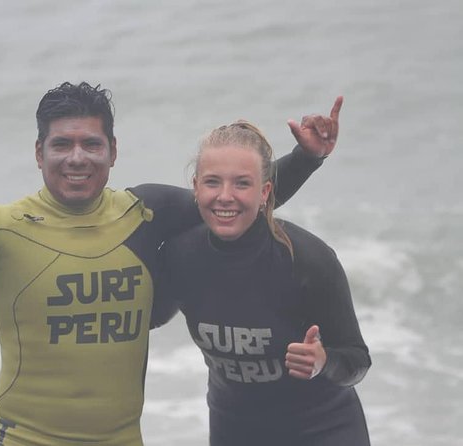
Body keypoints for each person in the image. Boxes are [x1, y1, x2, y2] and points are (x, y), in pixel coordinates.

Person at [0, 82, 337, 446]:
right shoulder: (0, 227)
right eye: (61, 144)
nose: (77, 157)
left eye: (91, 144)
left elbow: (234, 204)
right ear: (39, 153)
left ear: (113, 152)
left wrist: (307, 157)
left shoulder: (145, 211)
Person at [152, 116, 371, 446]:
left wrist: (323, 361)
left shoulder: (306, 259)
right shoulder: (181, 256)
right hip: (234, 429)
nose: (226, 196)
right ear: (196, 186)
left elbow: (357, 361)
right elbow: (149, 317)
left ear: (265, 191)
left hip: (323, 430)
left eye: (242, 183)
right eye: (213, 182)